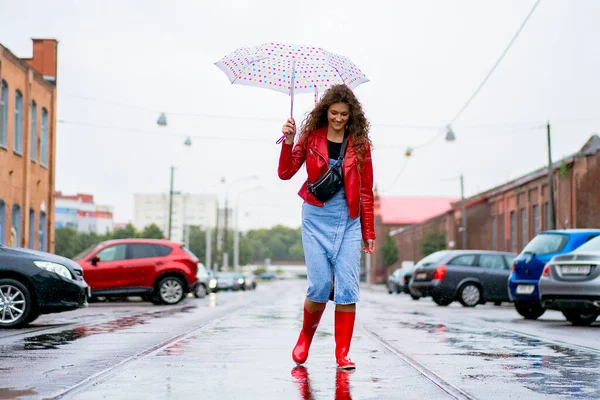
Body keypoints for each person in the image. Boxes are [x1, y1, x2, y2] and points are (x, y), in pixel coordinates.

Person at [278, 84, 376, 370]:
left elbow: (366, 190)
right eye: (334, 113)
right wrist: (289, 141)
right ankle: (305, 340)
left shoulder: (360, 144)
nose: (338, 118)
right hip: (315, 217)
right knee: (320, 284)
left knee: (347, 287)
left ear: (352, 115)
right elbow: (285, 173)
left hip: (349, 221)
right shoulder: (310, 137)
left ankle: (342, 353)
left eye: (344, 114)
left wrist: (368, 232)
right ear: (325, 111)